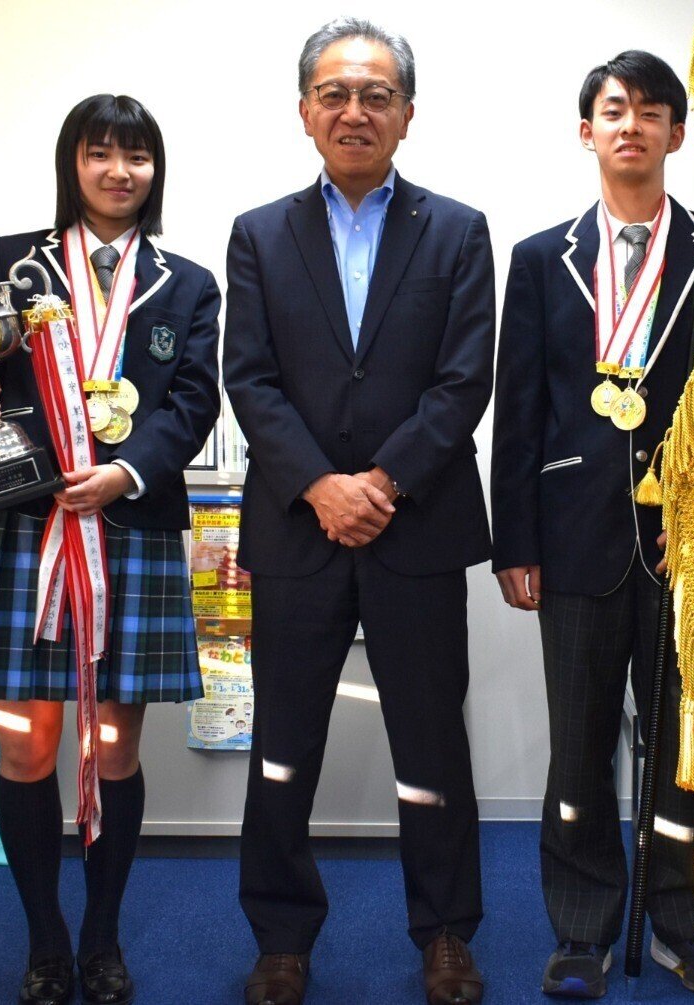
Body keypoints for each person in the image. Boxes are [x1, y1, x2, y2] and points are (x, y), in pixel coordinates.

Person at [222, 17, 495, 1005]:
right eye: (334, 93)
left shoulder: (458, 231)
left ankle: (447, 935)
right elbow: (247, 379)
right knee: (284, 744)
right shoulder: (258, 234)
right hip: (298, 529)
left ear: (407, 115)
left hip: (414, 526)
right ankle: (282, 936)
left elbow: (466, 381)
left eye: (376, 94)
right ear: (305, 112)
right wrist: (319, 486)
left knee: (432, 747)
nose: (354, 110)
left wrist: (379, 484)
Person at [0, 93, 221, 1005]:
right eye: (100, 154)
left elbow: (193, 403)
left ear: (154, 170)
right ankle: (44, 939)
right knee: (28, 748)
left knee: (111, 748)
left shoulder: (187, 280)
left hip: (126, 522)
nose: (118, 172)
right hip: (23, 520)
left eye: (136, 157)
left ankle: (102, 940)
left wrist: (127, 473)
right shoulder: (11, 265)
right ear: (73, 163)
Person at [488, 50, 694, 999]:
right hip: (574, 533)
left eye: (649, 110)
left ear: (678, 133)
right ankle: (584, 926)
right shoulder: (538, 258)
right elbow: (518, 409)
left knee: (688, 743)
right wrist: (514, 540)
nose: (630, 124)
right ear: (586, 132)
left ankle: (679, 920)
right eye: (611, 109)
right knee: (580, 739)